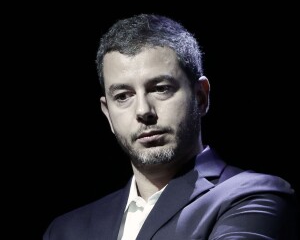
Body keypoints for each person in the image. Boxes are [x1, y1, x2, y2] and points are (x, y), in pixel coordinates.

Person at [43, 13, 298, 239]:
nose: (143, 111)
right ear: (108, 113)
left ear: (201, 97)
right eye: (123, 96)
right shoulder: (67, 229)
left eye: (161, 89)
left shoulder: (252, 196)